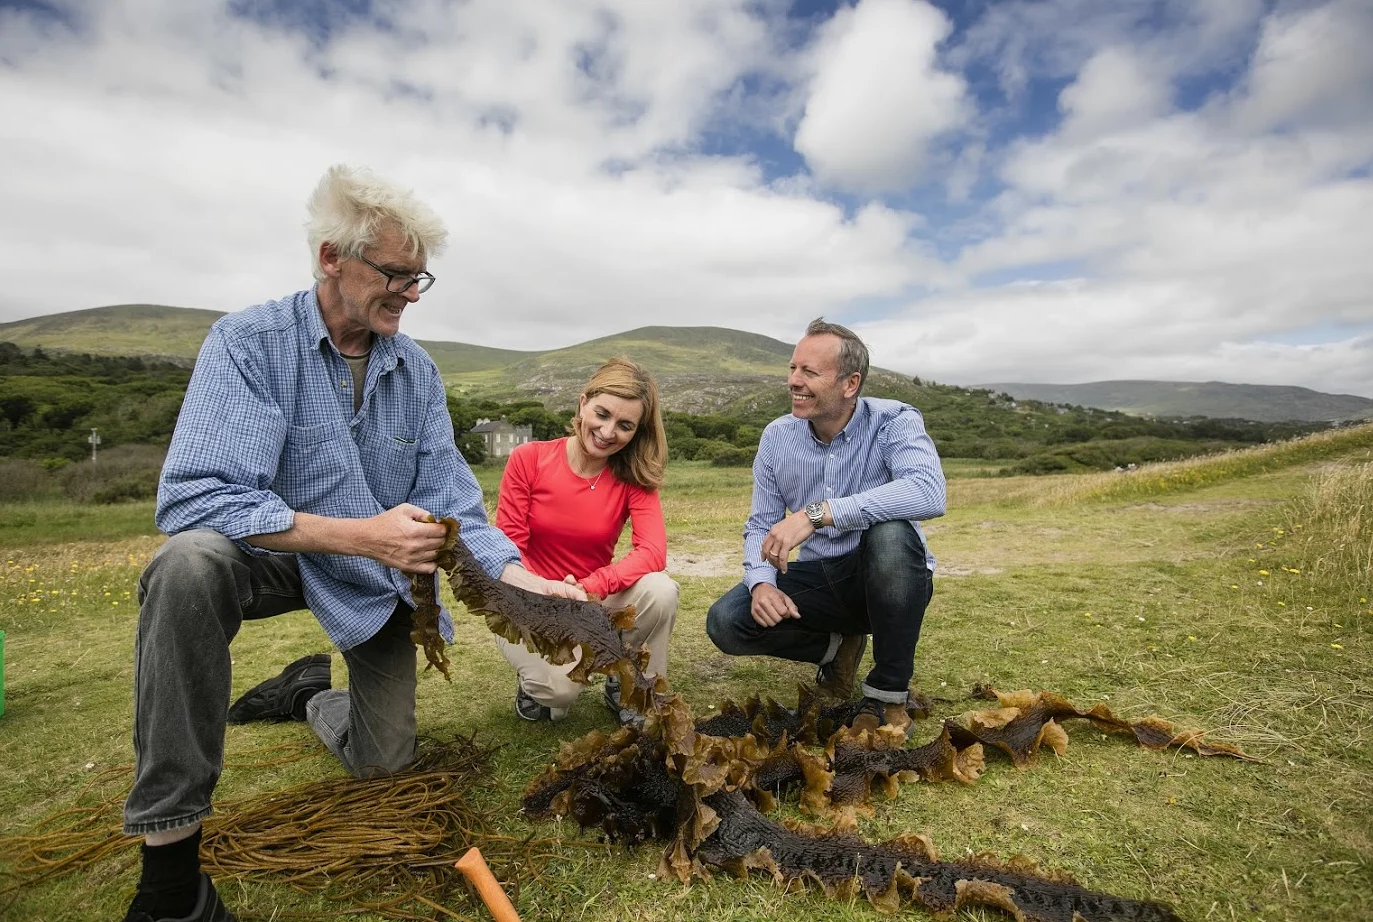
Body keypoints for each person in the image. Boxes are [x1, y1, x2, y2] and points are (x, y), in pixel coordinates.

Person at [120, 165, 583, 922]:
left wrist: (524, 581)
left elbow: (453, 504)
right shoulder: (247, 344)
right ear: (332, 257)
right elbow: (194, 497)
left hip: (373, 580)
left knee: (384, 768)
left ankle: (310, 695)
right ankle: (171, 868)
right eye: (395, 273)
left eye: (419, 278)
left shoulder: (417, 371)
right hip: (269, 556)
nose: (409, 292)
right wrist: (357, 534)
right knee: (186, 565)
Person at [705, 318, 946, 724]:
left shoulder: (895, 421)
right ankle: (837, 648)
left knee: (890, 534)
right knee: (727, 621)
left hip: (887, 579)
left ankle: (887, 694)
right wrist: (762, 581)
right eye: (792, 368)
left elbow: (928, 491)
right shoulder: (777, 437)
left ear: (850, 384)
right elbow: (760, 523)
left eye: (809, 372)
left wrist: (818, 514)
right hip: (820, 576)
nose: (794, 381)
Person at [494, 358, 678, 724]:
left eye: (625, 425)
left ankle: (631, 685)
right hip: (530, 601)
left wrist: (591, 586)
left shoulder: (633, 476)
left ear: (636, 431)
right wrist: (546, 592)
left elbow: (653, 552)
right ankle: (537, 684)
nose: (608, 432)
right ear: (583, 403)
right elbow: (508, 546)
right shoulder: (528, 459)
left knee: (661, 590)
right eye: (602, 414)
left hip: (593, 599)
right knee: (558, 697)